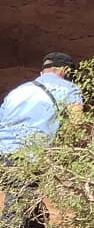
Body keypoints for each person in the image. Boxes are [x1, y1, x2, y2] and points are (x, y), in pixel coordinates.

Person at [0, 52, 83, 227]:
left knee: (33, 210)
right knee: (16, 209)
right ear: (66, 70)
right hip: (28, 155)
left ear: (43, 71)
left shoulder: (19, 90)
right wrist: (65, 152)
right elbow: (76, 123)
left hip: (3, 153)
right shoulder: (69, 89)